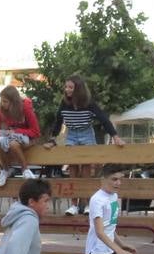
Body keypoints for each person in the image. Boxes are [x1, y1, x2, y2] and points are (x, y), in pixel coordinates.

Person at [43, 75, 124, 215]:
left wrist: (115, 137)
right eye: (66, 86)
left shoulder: (88, 103)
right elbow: (58, 121)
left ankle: (85, 204)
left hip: (86, 133)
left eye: (70, 87)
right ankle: (74, 205)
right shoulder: (64, 103)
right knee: (73, 167)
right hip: (72, 134)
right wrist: (53, 139)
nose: (67, 89)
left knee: (86, 168)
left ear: (78, 89)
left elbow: (104, 119)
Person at [0, 85, 41, 187]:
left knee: (13, 144)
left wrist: (16, 131)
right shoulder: (1, 109)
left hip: (28, 139)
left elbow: (36, 132)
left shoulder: (25, 108)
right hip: (10, 139)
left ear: (13, 102)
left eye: (5, 101)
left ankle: (25, 170)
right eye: (2, 101)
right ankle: (5, 170)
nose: (2, 104)